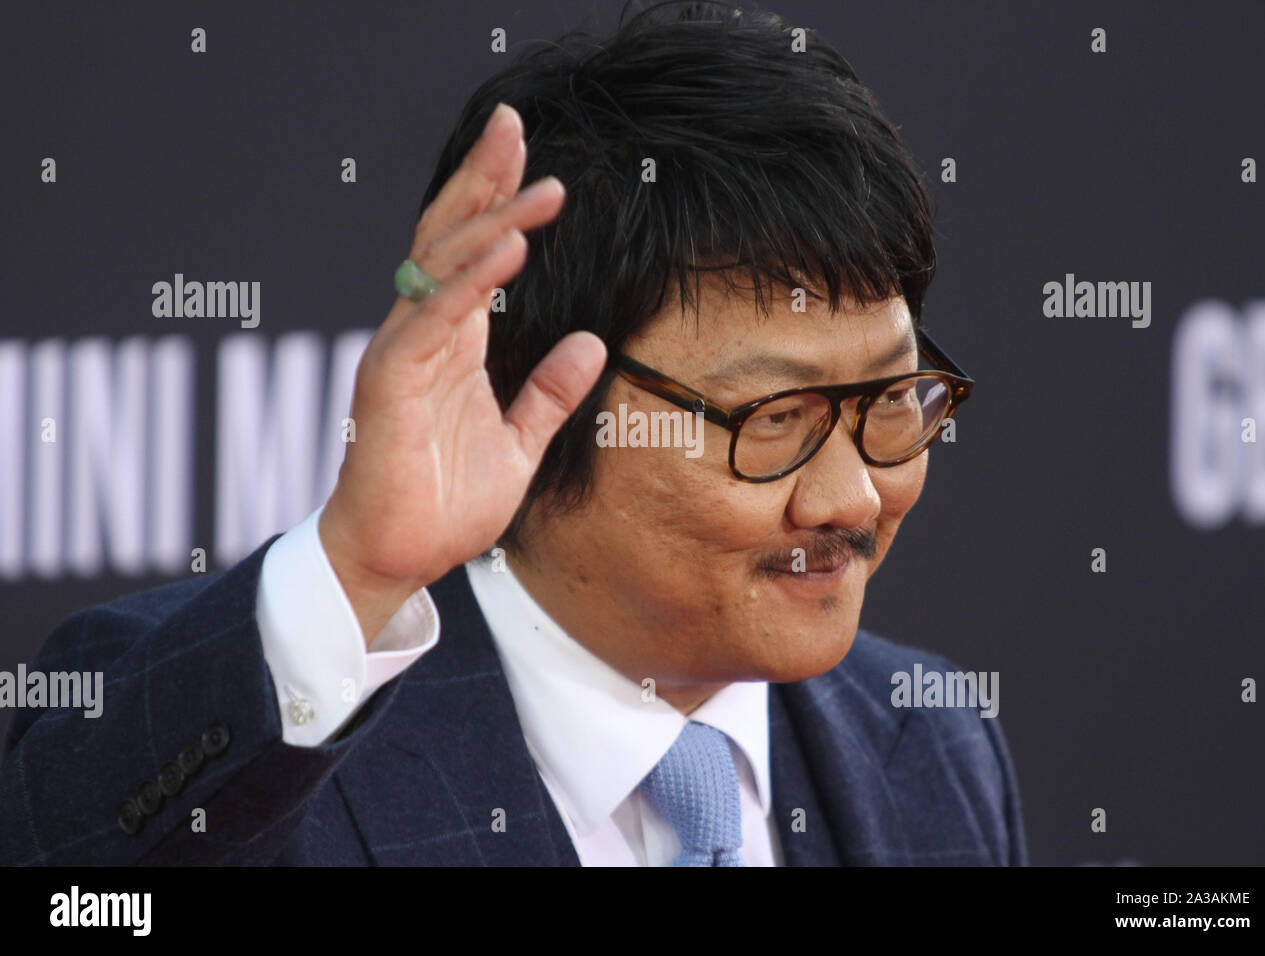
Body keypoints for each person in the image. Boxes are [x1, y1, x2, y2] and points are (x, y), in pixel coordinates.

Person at [0, 0, 1026, 866]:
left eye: (892, 399)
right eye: (778, 418)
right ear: (536, 395)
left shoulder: (929, 736)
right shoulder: (255, 745)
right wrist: (351, 574)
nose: (851, 497)